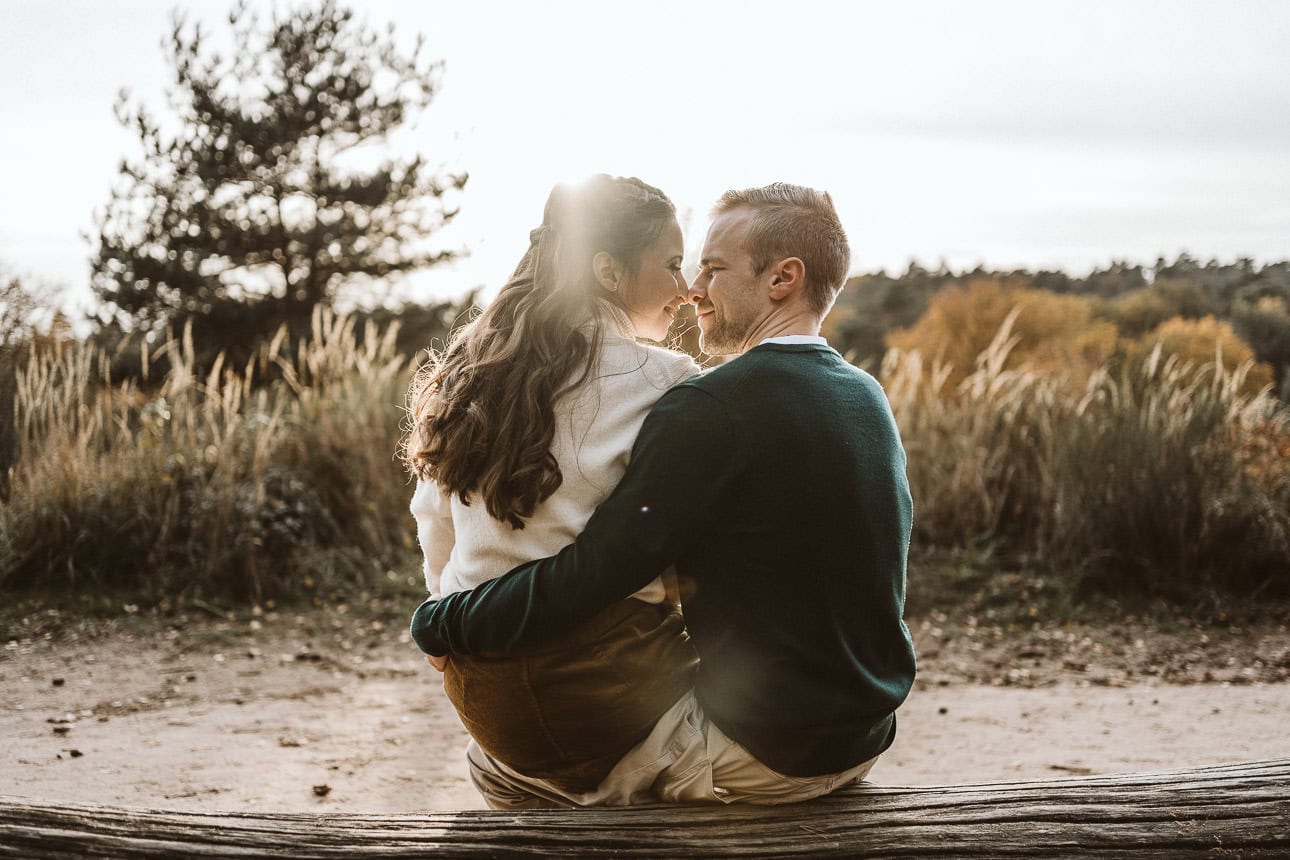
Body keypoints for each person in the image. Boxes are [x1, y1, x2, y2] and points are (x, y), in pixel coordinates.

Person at [413, 182, 917, 807]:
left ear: (783, 279)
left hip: (774, 750)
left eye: (712, 267)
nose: (693, 289)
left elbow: (595, 571)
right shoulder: (864, 394)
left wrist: (441, 620)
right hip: (862, 730)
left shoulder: (710, 406)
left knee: (502, 769)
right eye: (687, 266)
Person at [403, 174, 703, 806]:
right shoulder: (668, 381)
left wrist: (447, 627)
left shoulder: (472, 372)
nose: (684, 289)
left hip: (482, 695)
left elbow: (434, 518)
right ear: (609, 271)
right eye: (672, 265)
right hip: (604, 696)